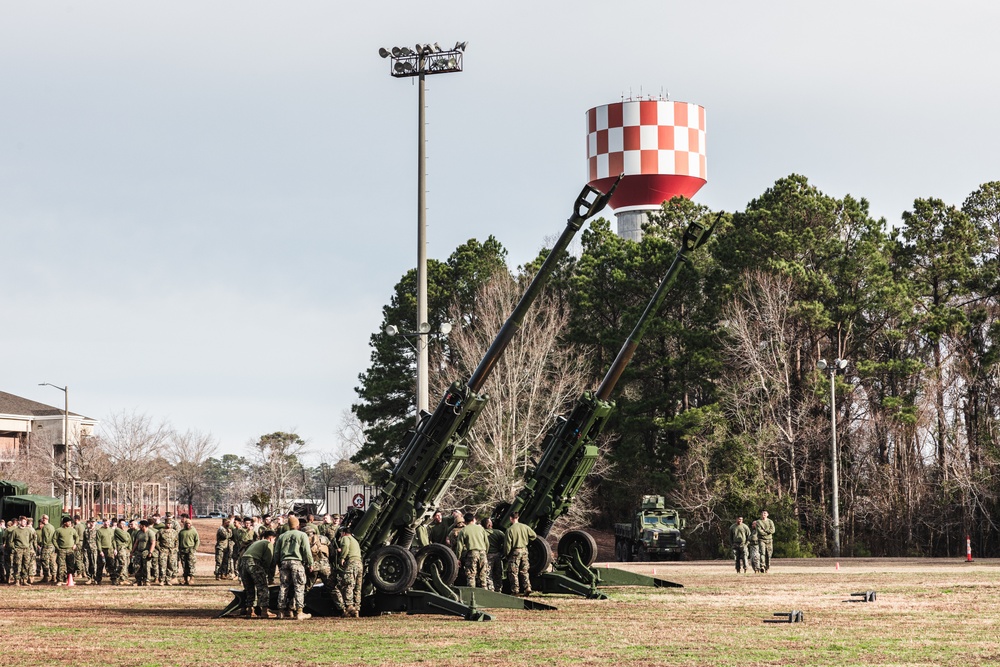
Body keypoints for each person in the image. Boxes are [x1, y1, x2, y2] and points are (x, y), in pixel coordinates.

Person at [274, 516, 313, 620]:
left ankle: (281, 612)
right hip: (296, 562)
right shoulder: (302, 535)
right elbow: (306, 551)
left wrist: (278, 563)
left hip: (284, 562)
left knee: (283, 587)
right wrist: (310, 563)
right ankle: (299, 612)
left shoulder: (282, 536)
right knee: (299, 586)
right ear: (297, 525)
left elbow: (276, 552)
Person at [239, 530, 277, 619]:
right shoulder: (268, 544)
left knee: (249, 587)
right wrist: (266, 572)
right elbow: (268, 559)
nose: (274, 542)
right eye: (274, 540)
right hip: (254, 563)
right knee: (263, 587)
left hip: (243, 563)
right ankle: (264, 611)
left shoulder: (256, 542)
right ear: (271, 538)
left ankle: (250, 610)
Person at [504, 512, 536, 596]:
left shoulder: (509, 530)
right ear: (518, 517)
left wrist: (506, 554)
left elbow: (507, 545)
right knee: (524, 570)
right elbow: (534, 535)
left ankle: (515, 590)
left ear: (511, 518)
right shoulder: (525, 527)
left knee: (513, 572)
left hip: (515, 552)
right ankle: (527, 587)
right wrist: (527, 541)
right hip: (524, 551)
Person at [454, 513, 489, 588]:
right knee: (483, 575)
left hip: (472, 553)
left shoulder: (463, 530)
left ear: (465, 522)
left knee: (471, 575)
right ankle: (485, 592)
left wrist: (458, 558)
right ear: (473, 519)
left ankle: (472, 594)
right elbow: (487, 543)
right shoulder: (481, 528)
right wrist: (485, 552)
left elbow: (459, 547)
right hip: (483, 552)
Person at [337, 524, 363, 618]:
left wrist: (342, 557)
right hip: (359, 564)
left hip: (351, 563)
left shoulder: (345, 538)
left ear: (344, 533)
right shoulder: (355, 540)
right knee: (357, 587)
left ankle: (349, 607)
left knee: (348, 584)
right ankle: (356, 610)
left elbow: (345, 546)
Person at [9, 516, 36, 586]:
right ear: (19, 522)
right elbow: (10, 541)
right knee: (17, 565)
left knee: (26, 565)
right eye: (23, 521)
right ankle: (17, 580)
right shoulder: (15, 531)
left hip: (26, 550)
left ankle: (24, 580)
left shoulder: (28, 530)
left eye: (25, 521)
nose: (24, 523)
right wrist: (15, 548)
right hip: (18, 550)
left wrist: (28, 546)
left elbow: (32, 539)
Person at [53, 517, 79, 585]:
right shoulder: (58, 530)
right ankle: (60, 580)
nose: (70, 523)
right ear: (64, 523)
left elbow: (77, 537)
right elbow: (54, 539)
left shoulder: (72, 530)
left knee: (70, 565)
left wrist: (75, 544)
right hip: (62, 550)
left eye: (70, 522)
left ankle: (70, 579)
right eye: (68, 522)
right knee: (61, 565)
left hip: (70, 550)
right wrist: (57, 548)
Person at [483, 517, 505, 592]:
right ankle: (498, 589)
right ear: (490, 524)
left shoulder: (482, 533)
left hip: (488, 556)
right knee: (498, 573)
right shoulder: (498, 532)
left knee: (488, 574)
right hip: (497, 555)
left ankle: (491, 589)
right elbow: (506, 542)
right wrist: (502, 552)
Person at [131, 521, 155, 586]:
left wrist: (150, 552)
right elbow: (136, 542)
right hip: (139, 552)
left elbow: (153, 543)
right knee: (137, 567)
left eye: (140, 525)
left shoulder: (150, 533)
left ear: (144, 526)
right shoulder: (139, 533)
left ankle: (147, 580)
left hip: (146, 552)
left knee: (146, 567)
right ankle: (138, 580)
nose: (139, 526)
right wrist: (132, 551)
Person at [156, 518, 179, 585]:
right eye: (167, 523)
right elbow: (157, 541)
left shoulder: (174, 532)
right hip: (164, 550)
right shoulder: (161, 531)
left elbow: (176, 541)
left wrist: (175, 548)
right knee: (162, 565)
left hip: (172, 551)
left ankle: (168, 579)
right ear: (165, 524)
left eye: (170, 524)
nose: (169, 525)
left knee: (171, 565)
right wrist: (159, 548)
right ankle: (162, 580)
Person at [177, 518, 200, 585]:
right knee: (184, 565)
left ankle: (191, 578)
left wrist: (194, 549)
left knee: (191, 564)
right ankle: (185, 578)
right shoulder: (181, 532)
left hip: (190, 549)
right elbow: (178, 541)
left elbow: (197, 541)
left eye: (189, 524)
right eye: (186, 524)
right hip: (182, 550)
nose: (188, 525)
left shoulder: (194, 531)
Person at [112, 519, 133, 585]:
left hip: (125, 549)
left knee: (126, 564)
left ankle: (125, 578)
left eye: (124, 524)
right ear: (118, 524)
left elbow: (129, 539)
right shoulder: (117, 530)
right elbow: (126, 538)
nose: (123, 525)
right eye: (121, 523)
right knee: (122, 564)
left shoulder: (124, 531)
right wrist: (127, 537)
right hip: (121, 548)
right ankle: (118, 578)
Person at [95, 519, 116, 584]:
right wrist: (100, 550)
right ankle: (98, 579)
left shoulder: (111, 530)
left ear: (109, 523)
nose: (106, 523)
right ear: (103, 523)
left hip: (110, 549)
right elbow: (98, 541)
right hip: (102, 550)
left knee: (111, 565)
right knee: (100, 565)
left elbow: (113, 540)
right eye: (105, 522)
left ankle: (113, 579)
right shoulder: (99, 531)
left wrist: (115, 549)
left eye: (108, 522)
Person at [38, 515, 56, 583]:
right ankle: (53, 576)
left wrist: (43, 544)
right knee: (52, 561)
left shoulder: (45, 527)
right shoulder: (52, 526)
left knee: (44, 561)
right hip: (52, 546)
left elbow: (45, 537)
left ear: (44, 519)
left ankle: (46, 576)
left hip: (47, 546)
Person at [81, 519, 99, 583]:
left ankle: (95, 577)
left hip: (94, 549)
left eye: (93, 522)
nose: (92, 523)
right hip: (87, 549)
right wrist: (83, 548)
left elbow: (99, 541)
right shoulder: (86, 531)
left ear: (95, 523)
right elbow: (84, 540)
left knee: (94, 564)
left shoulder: (97, 531)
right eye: (91, 522)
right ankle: (89, 578)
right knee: (87, 563)